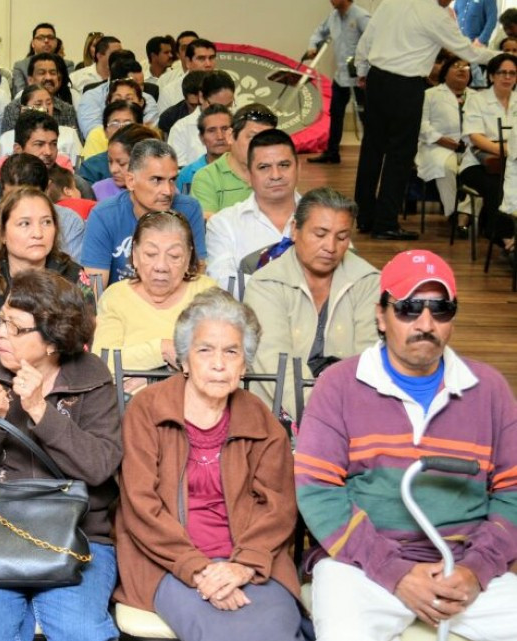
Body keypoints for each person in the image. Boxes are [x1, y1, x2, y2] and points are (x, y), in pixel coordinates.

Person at [295, 249, 517, 641]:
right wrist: (395, 573)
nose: (426, 323)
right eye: (410, 308)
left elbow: (513, 494)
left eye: (441, 309)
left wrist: (476, 569)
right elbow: (318, 495)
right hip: (363, 566)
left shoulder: (491, 390)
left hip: (467, 570)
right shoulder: (339, 386)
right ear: (381, 316)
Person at [115, 288, 306, 641]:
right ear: (185, 360)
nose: (219, 363)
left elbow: (278, 507)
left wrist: (242, 566)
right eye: (205, 350)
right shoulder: (148, 411)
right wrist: (197, 568)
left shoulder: (261, 420)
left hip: (251, 563)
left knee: (278, 629)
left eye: (231, 352)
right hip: (167, 563)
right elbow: (140, 506)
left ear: (244, 364)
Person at [0, 267, 119, 640]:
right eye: (2, 320)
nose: (1, 333)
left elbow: (100, 467)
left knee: (83, 631)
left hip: (76, 534)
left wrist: (40, 410)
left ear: (53, 339)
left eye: (17, 328)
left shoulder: (92, 375)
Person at [353, 0, 495, 240]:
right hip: (406, 85)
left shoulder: (391, 2)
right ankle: (385, 223)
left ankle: (365, 216)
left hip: (377, 79)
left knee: (372, 150)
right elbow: (467, 51)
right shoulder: (436, 15)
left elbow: (368, 37)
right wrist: (501, 57)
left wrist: (361, 70)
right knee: (400, 154)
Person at [243, 187, 380, 416]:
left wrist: (352, 420)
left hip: (352, 411)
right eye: (320, 234)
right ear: (295, 230)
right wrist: (322, 420)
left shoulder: (368, 281)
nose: (330, 247)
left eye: (342, 237)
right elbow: (277, 366)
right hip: (275, 414)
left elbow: (369, 360)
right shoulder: (265, 284)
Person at [0, 188, 94, 366]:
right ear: (2, 233)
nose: (38, 233)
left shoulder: (73, 277)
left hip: (58, 386)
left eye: (47, 222)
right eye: (25, 224)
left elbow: (82, 352)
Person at [92, 211, 218, 382]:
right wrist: (162, 349)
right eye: (151, 254)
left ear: (188, 258)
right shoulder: (116, 296)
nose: (161, 266)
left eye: (174, 256)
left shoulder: (206, 292)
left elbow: (219, 357)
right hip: (130, 404)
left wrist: (147, 375)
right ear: (135, 256)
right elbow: (104, 362)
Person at [82, 140, 208, 285]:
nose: (168, 191)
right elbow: (95, 290)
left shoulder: (189, 209)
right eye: (157, 180)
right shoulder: (104, 215)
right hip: (120, 304)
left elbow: (196, 276)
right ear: (130, 181)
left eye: (172, 180)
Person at [206, 129, 301, 286]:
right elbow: (223, 283)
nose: (276, 175)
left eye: (284, 165)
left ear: (298, 169)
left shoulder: (324, 217)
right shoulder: (224, 224)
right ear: (249, 176)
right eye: (264, 167)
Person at [0, 153, 86, 262]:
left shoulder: (71, 222)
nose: (22, 207)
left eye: (46, 222)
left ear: (47, 189)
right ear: (1, 189)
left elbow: (71, 278)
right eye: (12, 197)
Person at [460, 53, 517, 255]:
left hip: (512, 162)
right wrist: (507, 151)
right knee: (499, 186)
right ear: (492, 76)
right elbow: (475, 136)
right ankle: (504, 237)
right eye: (502, 73)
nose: (507, 77)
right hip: (478, 163)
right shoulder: (478, 100)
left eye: (512, 73)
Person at [305, 0, 371, 164]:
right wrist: (313, 46)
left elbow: (373, 42)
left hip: (360, 77)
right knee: (336, 114)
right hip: (341, 75)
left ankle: (370, 154)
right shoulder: (333, 17)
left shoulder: (361, 16)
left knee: (365, 116)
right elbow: (319, 32)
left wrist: (366, 70)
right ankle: (332, 153)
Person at [0, 110, 91, 206]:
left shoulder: (76, 185)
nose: (48, 152)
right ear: (18, 149)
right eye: (39, 144)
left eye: (53, 144)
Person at [192, 104, 279, 218]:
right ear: (230, 136)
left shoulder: (277, 175)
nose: (261, 145)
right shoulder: (207, 178)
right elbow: (213, 227)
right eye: (253, 137)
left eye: (268, 139)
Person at [415, 57, 471, 223]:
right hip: (436, 145)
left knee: (480, 170)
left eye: (466, 67)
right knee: (446, 167)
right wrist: (440, 139)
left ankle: (465, 212)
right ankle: (453, 213)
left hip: (470, 147)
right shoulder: (430, 95)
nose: (462, 70)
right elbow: (421, 124)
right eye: (456, 66)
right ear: (445, 73)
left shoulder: (477, 97)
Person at [167, 71, 236, 167]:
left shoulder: (238, 123)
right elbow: (177, 170)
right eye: (215, 107)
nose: (222, 113)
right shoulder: (181, 129)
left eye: (228, 106)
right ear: (201, 97)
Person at [0, 84, 83, 161]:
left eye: (49, 103)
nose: (45, 108)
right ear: (24, 110)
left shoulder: (70, 134)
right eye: (38, 104)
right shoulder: (6, 138)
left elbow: (79, 169)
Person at [0, 53, 78, 135]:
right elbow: (8, 142)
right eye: (42, 73)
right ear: (30, 80)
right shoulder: (13, 109)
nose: (48, 77)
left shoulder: (67, 110)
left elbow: (75, 144)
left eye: (53, 73)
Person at [91, 123, 165, 201]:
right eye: (110, 161)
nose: (113, 170)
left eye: (122, 164)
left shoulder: (165, 192)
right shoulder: (98, 190)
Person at [77, 101, 144, 185]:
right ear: (105, 131)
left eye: (128, 124)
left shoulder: (152, 161)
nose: (121, 128)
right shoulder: (91, 167)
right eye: (115, 123)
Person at [80, 79, 146, 159]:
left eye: (129, 99)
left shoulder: (149, 135)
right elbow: (91, 168)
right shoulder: (97, 135)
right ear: (108, 103)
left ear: (140, 103)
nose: (123, 103)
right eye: (117, 100)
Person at [177, 105, 233, 194]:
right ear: (202, 138)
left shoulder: (246, 170)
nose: (220, 137)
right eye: (212, 130)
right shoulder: (187, 174)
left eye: (225, 129)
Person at [157, 39, 218, 114]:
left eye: (211, 58)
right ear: (188, 62)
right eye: (201, 59)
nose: (208, 64)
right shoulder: (170, 92)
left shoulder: (223, 86)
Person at [11, 23, 70, 96]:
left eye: (50, 37)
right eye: (41, 38)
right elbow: (20, 94)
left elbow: (67, 91)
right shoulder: (20, 66)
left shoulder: (67, 65)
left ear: (56, 42)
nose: (46, 41)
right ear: (32, 43)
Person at [157, 70, 207, 136]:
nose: (197, 110)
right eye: (193, 105)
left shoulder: (222, 113)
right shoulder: (169, 118)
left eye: (201, 104)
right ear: (185, 98)